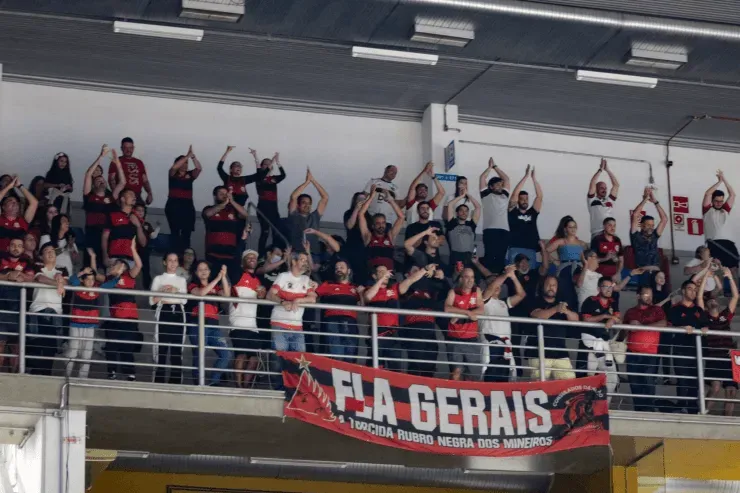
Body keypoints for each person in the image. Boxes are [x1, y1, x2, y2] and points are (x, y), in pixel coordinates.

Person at [65, 254, 122, 379]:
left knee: (87, 353)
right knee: (73, 351)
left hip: (90, 325)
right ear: (83, 280)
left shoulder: (97, 289)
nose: (91, 281)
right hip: (76, 323)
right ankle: (67, 375)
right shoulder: (77, 287)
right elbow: (72, 280)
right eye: (88, 279)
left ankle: (82, 378)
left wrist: (118, 276)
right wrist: (82, 272)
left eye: (92, 279)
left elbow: (109, 285)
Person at [363, 264, 425, 372]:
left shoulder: (394, 288)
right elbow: (368, 297)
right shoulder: (369, 289)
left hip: (393, 334)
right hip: (377, 334)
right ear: (374, 276)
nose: (386, 274)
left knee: (395, 368)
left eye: (386, 271)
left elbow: (411, 279)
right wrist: (382, 279)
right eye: (381, 272)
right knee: (376, 368)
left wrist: (425, 269)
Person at [266, 252, 316, 374]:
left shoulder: (306, 279)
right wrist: (283, 302)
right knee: (280, 358)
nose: (305, 262)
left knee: (300, 360)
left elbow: (313, 299)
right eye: (302, 260)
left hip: (297, 326)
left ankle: (294, 388)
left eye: (306, 260)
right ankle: (278, 388)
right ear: (293, 262)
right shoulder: (283, 276)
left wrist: (298, 300)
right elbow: (270, 295)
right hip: (279, 324)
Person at [698, 267, 738, 416]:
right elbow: (700, 297)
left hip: (731, 357)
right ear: (707, 306)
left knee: (732, 391)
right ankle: (703, 414)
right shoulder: (704, 317)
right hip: (714, 356)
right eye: (710, 300)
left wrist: (729, 277)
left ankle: (727, 420)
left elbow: (735, 297)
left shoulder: (725, 315)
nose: (713, 301)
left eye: (715, 299)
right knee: (715, 387)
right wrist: (707, 275)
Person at [623, 285, 668, 412]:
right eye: (646, 294)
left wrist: (642, 326)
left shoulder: (657, 310)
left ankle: (649, 412)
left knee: (648, 383)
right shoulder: (630, 311)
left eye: (651, 295)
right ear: (638, 296)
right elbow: (623, 332)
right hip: (632, 353)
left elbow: (663, 323)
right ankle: (638, 411)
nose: (649, 297)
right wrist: (627, 327)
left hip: (650, 353)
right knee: (635, 384)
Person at [27, 242, 69, 375]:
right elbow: (40, 278)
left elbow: (66, 283)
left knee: (51, 347)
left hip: (55, 312)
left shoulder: (62, 270)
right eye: (47, 251)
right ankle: (35, 373)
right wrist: (57, 284)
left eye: (53, 250)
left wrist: (59, 279)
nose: (51, 253)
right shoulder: (36, 266)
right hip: (38, 310)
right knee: (37, 344)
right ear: (41, 256)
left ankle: (44, 375)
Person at [667, 280, 708, 414]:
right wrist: (681, 328)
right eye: (690, 289)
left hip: (697, 350)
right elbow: (668, 326)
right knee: (683, 378)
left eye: (695, 290)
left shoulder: (698, 310)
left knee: (696, 379)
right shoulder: (675, 309)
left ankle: (692, 408)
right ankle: (681, 406)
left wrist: (705, 329)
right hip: (680, 348)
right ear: (683, 291)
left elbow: (705, 325)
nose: (693, 292)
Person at [104, 240, 143, 381]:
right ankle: (112, 371)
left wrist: (133, 249)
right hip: (115, 316)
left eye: (122, 265)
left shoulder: (129, 276)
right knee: (112, 345)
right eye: (117, 265)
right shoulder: (109, 278)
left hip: (130, 317)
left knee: (127, 346)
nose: (119, 266)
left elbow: (139, 265)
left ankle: (129, 372)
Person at [400, 263, 448, 377]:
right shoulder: (405, 288)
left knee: (430, 364)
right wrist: (430, 304)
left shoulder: (428, 290)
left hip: (430, 330)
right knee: (416, 366)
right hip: (414, 329)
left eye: (420, 270)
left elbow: (446, 296)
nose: (420, 272)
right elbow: (413, 302)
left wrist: (443, 279)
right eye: (416, 270)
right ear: (407, 275)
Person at [187, 261, 231, 386]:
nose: (204, 271)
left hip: (213, 326)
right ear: (195, 272)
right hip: (197, 325)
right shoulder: (192, 285)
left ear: (210, 271)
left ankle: (214, 382)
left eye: (206, 269)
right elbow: (201, 293)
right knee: (200, 353)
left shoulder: (216, 287)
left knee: (226, 353)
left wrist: (223, 276)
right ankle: (198, 383)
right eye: (200, 269)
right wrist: (217, 278)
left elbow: (227, 295)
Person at [480, 265, 526, 382]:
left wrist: (513, 276)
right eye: (492, 282)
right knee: (490, 376)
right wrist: (506, 274)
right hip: (491, 343)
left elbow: (521, 295)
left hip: (506, 344)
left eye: (498, 283)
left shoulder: (504, 302)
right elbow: (492, 287)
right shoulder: (483, 299)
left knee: (505, 378)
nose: (496, 285)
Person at [229, 250, 267, 389]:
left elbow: (263, 297)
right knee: (241, 355)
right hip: (238, 323)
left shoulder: (257, 280)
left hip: (253, 325)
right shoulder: (238, 275)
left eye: (254, 258)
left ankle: (246, 387)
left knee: (254, 358)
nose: (252, 259)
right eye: (248, 257)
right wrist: (243, 240)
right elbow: (232, 262)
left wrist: (262, 293)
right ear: (243, 261)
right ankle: (238, 387)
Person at [529, 276, 578, 380]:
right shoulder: (535, 300)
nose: (551, 287)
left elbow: (576, 320)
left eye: (554, 285)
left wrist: (566, 311)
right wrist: (556, 309)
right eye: (548, 284)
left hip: (560, 351)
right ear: (543, 287)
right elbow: (538, 315)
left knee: (568, 384)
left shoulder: (562, 303)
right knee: (539, 385)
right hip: (538, 351)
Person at [150, 252, 188, 384]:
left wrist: (175, 291)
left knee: (177, 349)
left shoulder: (182, 280)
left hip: (178, 312)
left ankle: (176, 383)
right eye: (170, 260)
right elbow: (152, 301)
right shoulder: (158, 279)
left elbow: (184, 300)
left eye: (175, 260)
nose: (173, 263)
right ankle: (158, 382)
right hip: (164, 312)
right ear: (165, 262)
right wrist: (163, 291)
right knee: (161, 348)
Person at [83, 146, 126, 263]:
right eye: (97, 180)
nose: (101, 181)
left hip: (108, 236)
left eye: (102, 180)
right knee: (90, 267)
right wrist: (101, 156)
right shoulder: (89, 196)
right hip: (92, 235)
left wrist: (118, 163)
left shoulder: (111, 196)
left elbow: (122, 183)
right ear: (93, 185)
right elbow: (88, 175)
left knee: (107, 267)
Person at [579, 277, 621, 395]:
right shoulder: (590, 301)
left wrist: (611, 320)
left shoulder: (613, 302)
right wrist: (604, 317)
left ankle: (605, 406)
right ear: (598, 288)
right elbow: (586, 319)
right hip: (588, 343)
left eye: (610, 287)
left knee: (611, 378)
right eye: (605, 286)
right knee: (587, 377)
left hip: (604, 343)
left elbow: (617, 318)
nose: (609, 289)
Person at [315, 259, 362, 361]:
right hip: (333, 321)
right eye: (336, 268)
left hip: (350, 323)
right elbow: (313, 295)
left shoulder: (355, 287)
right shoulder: (328, 284)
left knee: (351, 354)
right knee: (336, 355)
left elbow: (363, 306)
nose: (338, 270)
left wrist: (361, 293)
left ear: (348, 271)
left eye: (341, 267)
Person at [0, 238, 35, 372]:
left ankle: (15, 377)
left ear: (23, 249)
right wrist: (8, 276)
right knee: (0, 345)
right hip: (1, 309)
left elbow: (32, 278)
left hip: (18, 310)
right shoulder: (1, 258)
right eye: (13, 245)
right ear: (8, 248)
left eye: (19, 246)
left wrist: (20, 275)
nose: (16, 248)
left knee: (16, 347)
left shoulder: (28, 262)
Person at [202, 186, 249, 284]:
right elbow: (208, 214)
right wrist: (225, 203)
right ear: (215, 196)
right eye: (221, 194)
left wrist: (232, 201)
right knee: (213, 283)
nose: (224, 196)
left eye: (226, 194)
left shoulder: (234, 211)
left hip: (231, 255)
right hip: (213, 255)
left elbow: (245, 214)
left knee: (232, 282)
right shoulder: (209, 208)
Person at [444, 267, 485, 381]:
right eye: (467, 277)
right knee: (456, 372)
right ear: (461, 279)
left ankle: (468, 397)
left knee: (471, 375)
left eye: (472, 277)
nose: (470, 280)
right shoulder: (453, 292)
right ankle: (453, 396)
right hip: (455, 338)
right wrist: (467, 312)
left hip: (471, 338)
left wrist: (458, 314)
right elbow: (447, 308)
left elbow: (481, 310)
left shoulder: (476, 291)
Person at [359, 185, 405, 271]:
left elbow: (401, 217)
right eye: (378, 223)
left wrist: (391, 201)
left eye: (383, 223)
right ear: (373, 226)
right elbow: (361, 214)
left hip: (388, 276)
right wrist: (372, 196)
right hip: (373, 276)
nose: (381, 225)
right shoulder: (368, 236)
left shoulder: (390, 236)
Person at [165, 146, 202, 254]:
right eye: (183, 162)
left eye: (187, 163)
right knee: (175, 233)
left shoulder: (190, 175)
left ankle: (185, 258)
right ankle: (174, 257)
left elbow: (199, 169)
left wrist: (193, 156)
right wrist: (186, 156)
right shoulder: (172, 174)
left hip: (187, 206)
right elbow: (174, 168)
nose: (185, 165)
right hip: (173, 205)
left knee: (186, 235)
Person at [546, 216, 589, 309]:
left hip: (578, 269)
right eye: (570, 227)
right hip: (565, 269)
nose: (573, 229)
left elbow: (588, 257)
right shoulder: (561, 241)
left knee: (578, 292)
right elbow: (545, 251)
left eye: (574, 227)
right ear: (565, 229)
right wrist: (554, 261)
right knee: (564, 291)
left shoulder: (582, 243)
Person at [285, 169, 329, 256]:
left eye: (309, 203)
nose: (307, 205)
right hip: (296, 254)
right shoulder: (293, 215)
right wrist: (307, 182)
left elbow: (325, 197)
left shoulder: (315, 216)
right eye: (304, 203)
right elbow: (294, 196)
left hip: (313, 254)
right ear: (298, 205)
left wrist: (313, 180)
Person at [702, 170, 738, 278]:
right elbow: (708, 193)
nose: (719, 203)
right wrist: (719, 182)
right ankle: (719, 291)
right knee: (717, 268)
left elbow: (732, 194)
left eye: (721, 201)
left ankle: (733, 290)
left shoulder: (725, 210)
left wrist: (724, 179)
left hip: (728, 243)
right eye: (716, 201)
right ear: (712, 201)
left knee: (734, 267)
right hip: (715, 243)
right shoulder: (707, 210)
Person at [479, 157, 511, 273]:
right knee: (489, 257)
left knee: (500, 259)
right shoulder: (486, 195)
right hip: (490, 230)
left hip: (504, 231)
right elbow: (482, 178)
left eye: (500, 185)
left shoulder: (504, 196)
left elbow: (506, 179)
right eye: (497, 184)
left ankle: (498, 283)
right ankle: (489, 279)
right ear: (491, 187)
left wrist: (496, 167)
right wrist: (489, 168)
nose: (500, 186)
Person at [101, 188, 146, 268]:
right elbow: (104, 237)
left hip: (131, 260)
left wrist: (138, 226)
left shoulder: (138, 218)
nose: (134, 197)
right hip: (114, 258)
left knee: (128, 281)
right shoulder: (112, 215)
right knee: (112, 280)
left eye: (134, 195)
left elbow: (143, 243)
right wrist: (105, 256)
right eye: (130, 195)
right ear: (122, 199)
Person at [253, 150, 287, 255]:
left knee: (276, 232)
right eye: (266, 164)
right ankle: (261, 255)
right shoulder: (259, 177)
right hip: (263, 208)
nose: (269, 165)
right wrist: (256, 156)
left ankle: (275, 254)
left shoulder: (273, 178)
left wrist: (278, 162)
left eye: (270, 163)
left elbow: (283, 175)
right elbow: (259, 172)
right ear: (261, 166)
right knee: (265, 232)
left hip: (273, 208)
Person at [507, 165, 543, 264]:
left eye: (526, 199)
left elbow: (539, 196)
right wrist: (526, 176)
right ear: (518, 200)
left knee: (529, 276)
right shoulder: (513, 212)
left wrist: (534, 179)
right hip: (515, 248)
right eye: (522, 199)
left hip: (531, 249)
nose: (524, 201)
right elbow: (514, 194)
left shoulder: (533, 212)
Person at [630, 187, 668, 278]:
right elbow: (635, 215)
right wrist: (645, 199)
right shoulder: (635, 235)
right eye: (648, 225)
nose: (651, 227)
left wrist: (655, 201)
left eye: (652, 225)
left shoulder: (655, 235)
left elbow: (664, 219)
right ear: (642, 225)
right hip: (642, 272)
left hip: (656, 273)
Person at [109, 137, 153, 205]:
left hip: (137, 195)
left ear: (133, 148)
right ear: (121, 148)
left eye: (130, 147)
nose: (128, 150)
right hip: (123, 195)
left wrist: (149, 193)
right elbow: (111, 179)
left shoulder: (139, 162)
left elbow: (145, 180)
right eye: (125, 147)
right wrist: (116, 196)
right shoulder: (116, 161)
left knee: (139, 214)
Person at [0, 176, 39, 253]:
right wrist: (9, 186)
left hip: (19, 259)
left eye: (16, 202)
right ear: (3, 207)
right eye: (10, 201)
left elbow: (35, 203)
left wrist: (19, 186)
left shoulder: (23, 220)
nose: (14, 202)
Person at [445, 193, 481, 270]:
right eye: (461, 210)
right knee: (456, 278)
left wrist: (469, 195)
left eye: (466, 211)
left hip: (469, 256)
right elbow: (450, 204)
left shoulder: (471, 224)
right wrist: (462, 195)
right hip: (456, 256)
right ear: (457, 213)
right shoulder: (452, 224)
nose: (464, 213)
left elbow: (478, 207)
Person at [343, 192, 372, 285]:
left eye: (363, 199)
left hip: (364, 247)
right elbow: (350, 225)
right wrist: (356, 209)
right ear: (354, 201)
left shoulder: (369, 216)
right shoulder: (348, 213)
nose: (361, 201)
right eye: (359, 199)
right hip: (351, 245)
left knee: (362, 271)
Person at [587, 158, 620, 237]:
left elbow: (616, 185)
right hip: (597, 233)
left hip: (610, 232)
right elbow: (592, 183)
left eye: (605, 188)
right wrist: (600, 170)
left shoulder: (610, 200)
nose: (604, 190)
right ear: (596, 189)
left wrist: (607, 170)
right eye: (602, 188)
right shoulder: (592, 200)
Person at [591, 217, 624, 286]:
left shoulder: (617, 240)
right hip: (599, 273)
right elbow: (592, 260)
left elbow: (621, 260)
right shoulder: (597, 239)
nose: (612, 228)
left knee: (614, 294)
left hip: (613, 274)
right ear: (604, 226)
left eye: (614, 225)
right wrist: (605, 258)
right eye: (610, 225)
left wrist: (617, 274)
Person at [133, 203, 158, 289]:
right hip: (132, 250)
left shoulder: (146, 224)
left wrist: (158, 226)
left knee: (145, 270)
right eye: (138, 210)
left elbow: (153, 235)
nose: (140, 212)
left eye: (142, 211)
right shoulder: (131, 222)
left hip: (144, 250)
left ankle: (146, 288)